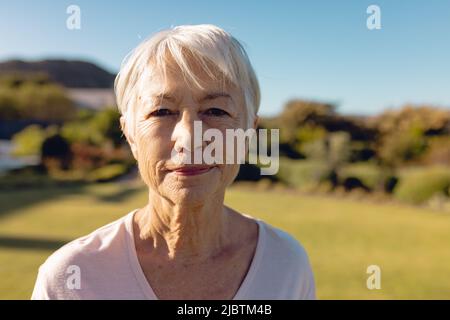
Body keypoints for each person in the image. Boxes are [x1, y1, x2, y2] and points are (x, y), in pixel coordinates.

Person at [31, 24, 315, 300]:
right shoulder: (71, 279)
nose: (189, 138)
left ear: (248, 133)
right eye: (162, 111)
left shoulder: (286, 264)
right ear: (129, 133)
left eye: (216, 110)